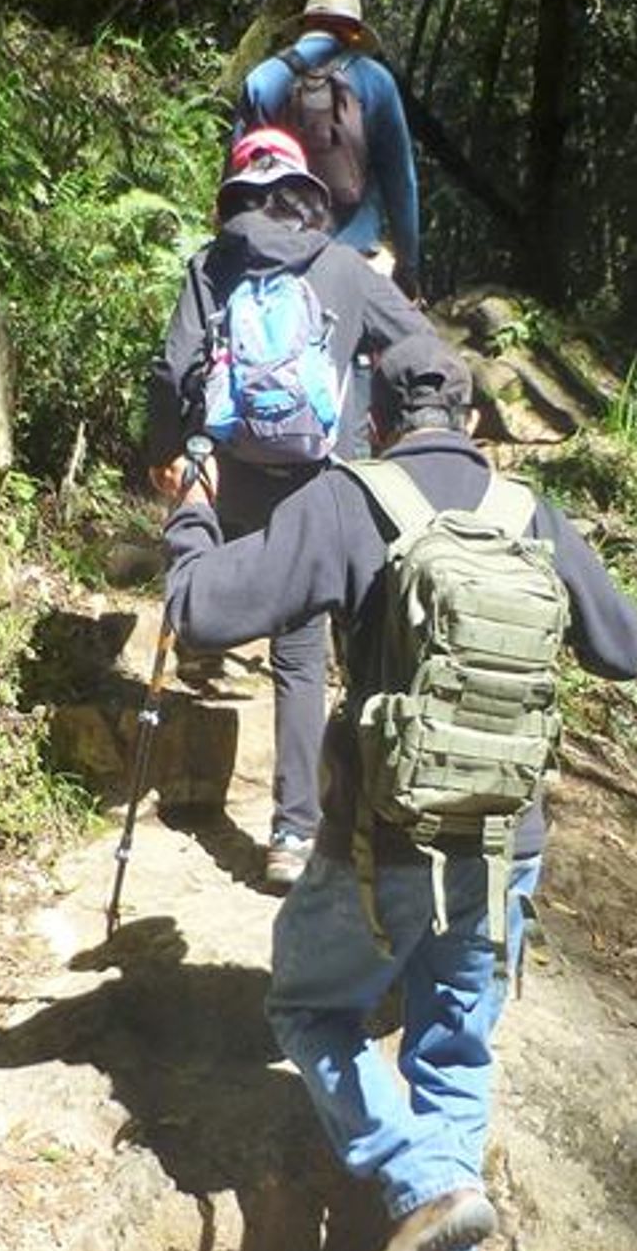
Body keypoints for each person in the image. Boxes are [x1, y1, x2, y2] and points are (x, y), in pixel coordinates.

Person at [153, 334, 637, 1251]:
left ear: (371, 420)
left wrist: (191, 509)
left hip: (376, 845)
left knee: (309, 1007)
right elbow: (628, 648)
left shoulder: (348, 501)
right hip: (501, 845)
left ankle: (420, 1179)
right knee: (453, 1054)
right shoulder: (527, 513)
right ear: (472, 422)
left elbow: (200, 608)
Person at [146, 127, 432, 888]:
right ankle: (301, 831)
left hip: (232, 476)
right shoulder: (343, 266)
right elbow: (421, 349)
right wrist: (417, 432)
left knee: (236, 605)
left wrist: (165, 451)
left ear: (237, 190)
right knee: (310, 656)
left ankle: (235, 794)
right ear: (305, 190)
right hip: (326, 484)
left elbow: (174, 367)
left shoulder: (212, 263)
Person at [233, 0, 421, 297]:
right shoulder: (377, 82)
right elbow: (401, 183)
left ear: (304, 24)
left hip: (277, 258)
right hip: (357, 259)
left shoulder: (262, 79)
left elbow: (238, 177)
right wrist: (408, 268)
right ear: (355, 33)